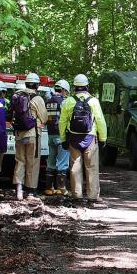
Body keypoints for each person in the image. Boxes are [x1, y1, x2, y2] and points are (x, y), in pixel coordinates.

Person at [59, 74, 107, 205]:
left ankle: (77, 195)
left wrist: (63, 139)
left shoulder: (69, 101)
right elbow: (101, 121)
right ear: (87, 86)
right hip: (90, 138)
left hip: (74, 138)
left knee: (75, 167)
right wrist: (103, 138)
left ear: (75, 86)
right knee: (91, 167)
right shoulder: (94, 101)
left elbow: (62, 122)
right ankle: (92, 196)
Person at [10, 73, 47, 201]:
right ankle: (31, 191)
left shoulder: (17, 96)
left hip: (19, 134)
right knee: (33, 162)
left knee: (20, 161)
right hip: (33, 134)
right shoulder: (38, 99)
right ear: (37, 84)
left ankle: (19, 190)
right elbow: (44, 118)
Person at [44, 79, 70, 196]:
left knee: (50, 162)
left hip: (50, 135)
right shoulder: (64, 102)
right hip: (61, 136)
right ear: (63, 90)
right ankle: (61, 188)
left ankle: (49, 188)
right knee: (63, 162)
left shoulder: (48, 101)